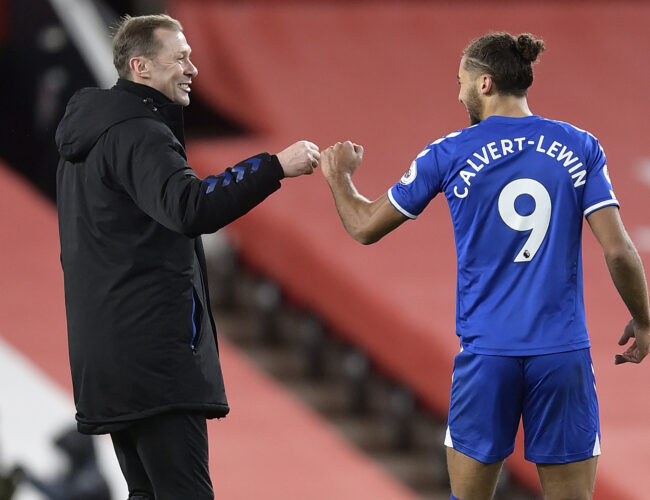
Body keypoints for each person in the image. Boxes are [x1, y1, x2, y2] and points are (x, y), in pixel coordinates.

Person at [320, 32, 649, 500]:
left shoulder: (448, 152)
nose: (458, 94)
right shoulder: (580, 146)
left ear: (485, 83)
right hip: (561, 355)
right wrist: (644, 319)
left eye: (461, 82)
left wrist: (340, 177)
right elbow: (618, 250)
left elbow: (365, 226)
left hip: (487, 356)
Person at [56, 13, 319, 500]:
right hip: (153, 356)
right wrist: (275, 167)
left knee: (146, 493)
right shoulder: (139, 132)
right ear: (140, 66)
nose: (192, 68)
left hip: (108, 355)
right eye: (179, 58)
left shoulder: (90, 140)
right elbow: (191, 206)